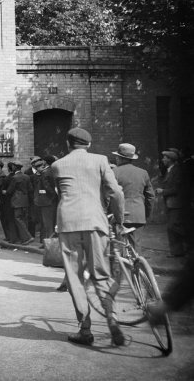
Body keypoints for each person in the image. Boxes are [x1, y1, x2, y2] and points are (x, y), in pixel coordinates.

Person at [50, 127, 126, 347]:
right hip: (95, 222)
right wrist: (119, 220)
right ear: (89, 145)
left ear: (68, 144)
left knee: (75, 278)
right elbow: (116, 192)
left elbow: (60, 193)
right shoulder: (101, 160)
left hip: (69, 223)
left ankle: (85, 330)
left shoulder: (57, 165)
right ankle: (112, 319)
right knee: (101, 275)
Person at [111, 143, 153, 251]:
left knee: (121, 245)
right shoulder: (143, 173)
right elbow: (150, 197)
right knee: (135, 246)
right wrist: (146, 213)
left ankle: (125, 266)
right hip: (139, 214)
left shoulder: (114, 172)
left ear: (119, 158)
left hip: (121, 214)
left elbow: (110, 194)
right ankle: (137, 265)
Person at [155, 149, 187, 257]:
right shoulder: (169, 170)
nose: (163, 159)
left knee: (174, 227)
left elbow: (177, 189)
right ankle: (178, 252)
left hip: (176, 204)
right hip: (171, 203)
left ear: (170, 159)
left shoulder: (177, 171)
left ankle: (183, 249)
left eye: (165, 158)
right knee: (172, 227)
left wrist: (163, 191)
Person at [5, 161, 34, 245]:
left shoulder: (14, 178)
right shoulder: (27, 176)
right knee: (24, 219)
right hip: (25, 201)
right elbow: (30, 189)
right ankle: (24, 239)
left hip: (17, 201)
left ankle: (28, 237)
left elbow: (10, 190)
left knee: (18, 219)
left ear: (14, 167)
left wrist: (5, 192)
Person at [32, 156, 58, 243]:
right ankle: (48, 242)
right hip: (50, 201)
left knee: (48, 224)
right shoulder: (52, 170)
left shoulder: (46, 172)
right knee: (50, 223)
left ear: (45, 162)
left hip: (47, 201)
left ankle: (48, 243)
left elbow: (47, 187)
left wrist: (52, 195)